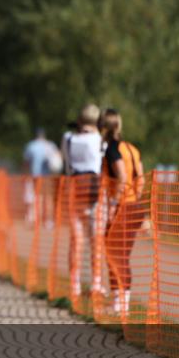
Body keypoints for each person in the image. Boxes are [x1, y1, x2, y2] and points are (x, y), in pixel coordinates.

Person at [100, 109, 145, 315]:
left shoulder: (112, 149)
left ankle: (120, 302)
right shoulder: (132, 149)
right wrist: (135, 198)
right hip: (135, 205)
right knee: (120, 254)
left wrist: (113, 205)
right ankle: (121, 301)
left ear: (103, 128)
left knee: (115, 254)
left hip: (122, 207)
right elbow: (140, 179)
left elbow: (122, 177)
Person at [61, 104, 104, 298]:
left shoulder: (68, 138)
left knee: (76, 240)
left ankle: (74, 284)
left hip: (74, 190)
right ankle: (96, 282)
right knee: (96, 241)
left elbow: (66, 163)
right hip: (94, 192)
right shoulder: (99, 140)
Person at [22, 128, 60, 222]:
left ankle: (35, 218)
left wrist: (26, 174)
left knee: (36, 197)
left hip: (35, 176)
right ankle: (48, 219)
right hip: (48, 176)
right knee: (47, 197)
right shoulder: (50, 145)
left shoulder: (31, 146)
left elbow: (26, 163)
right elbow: (58, 161)